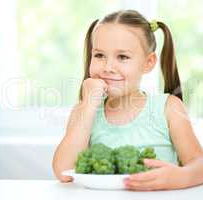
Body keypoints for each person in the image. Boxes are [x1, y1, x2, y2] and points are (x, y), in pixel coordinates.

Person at [52, 9, 203, 191]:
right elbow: (63, 172)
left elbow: (198, 164)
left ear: (148, 63)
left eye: (122, 57)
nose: (108, 67)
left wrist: (180, 177)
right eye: (99, 55)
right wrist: (88, 105)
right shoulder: (84, 110)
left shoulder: (168, 107)